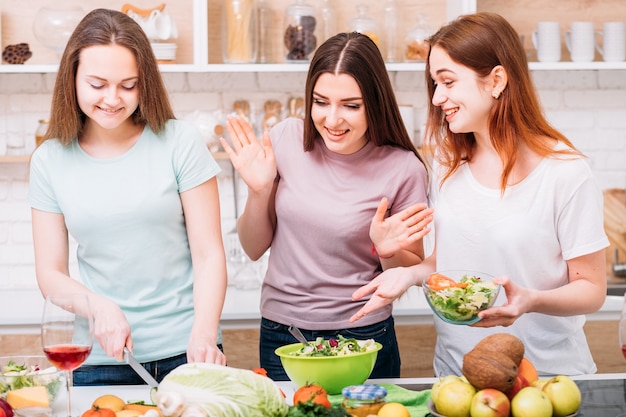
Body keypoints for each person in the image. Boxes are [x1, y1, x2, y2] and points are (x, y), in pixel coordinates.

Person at [350, 12, 609, 377]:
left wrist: (530, 301)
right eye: (434, 84)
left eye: (448, 82)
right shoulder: (447, 164)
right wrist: (403, 271)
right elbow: (445, 263)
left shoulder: (565, 172)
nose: (438, 98)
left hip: (547, 379)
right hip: (457, 377)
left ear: (497, 80)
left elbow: (592, 289)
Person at [28, 8, 228, 385]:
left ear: (145, 83)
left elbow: (209, 253)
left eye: (128, 85)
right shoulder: (49, 160)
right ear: (72, 79)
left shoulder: (179, 142)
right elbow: (50, 274)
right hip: (99, 360)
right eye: (97, 84)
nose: (112, 98)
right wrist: (98, 306)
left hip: (187, 352)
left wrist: (203, 335)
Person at [220, 31, 433, 381]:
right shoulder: (286, 139)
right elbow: (252, 247)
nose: (332, 120)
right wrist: (259, 192)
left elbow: (406, 271)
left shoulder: (403, 168)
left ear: (375, 103)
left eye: (351, 105)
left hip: (363, 336)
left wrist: (386, 250)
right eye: (321, 102)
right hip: (283, 333)